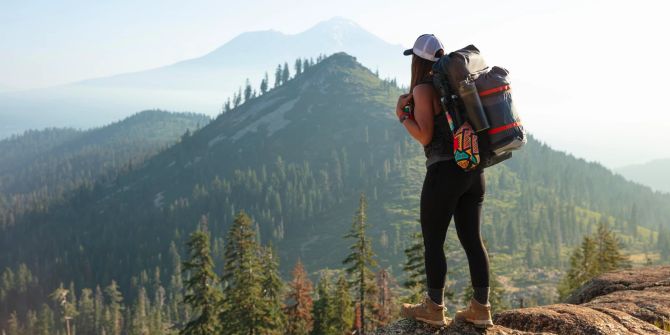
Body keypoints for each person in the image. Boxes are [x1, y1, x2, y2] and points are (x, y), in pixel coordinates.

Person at [395, 34, 493, 329]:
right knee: (472, 240)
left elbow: (425, 135)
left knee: (433, 242)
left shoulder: (424, 89)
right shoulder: (456, 85)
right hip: (473, 169)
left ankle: (434, 308)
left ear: (418, 60)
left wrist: (402, 116)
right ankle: (481, 308)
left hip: (444, 173)